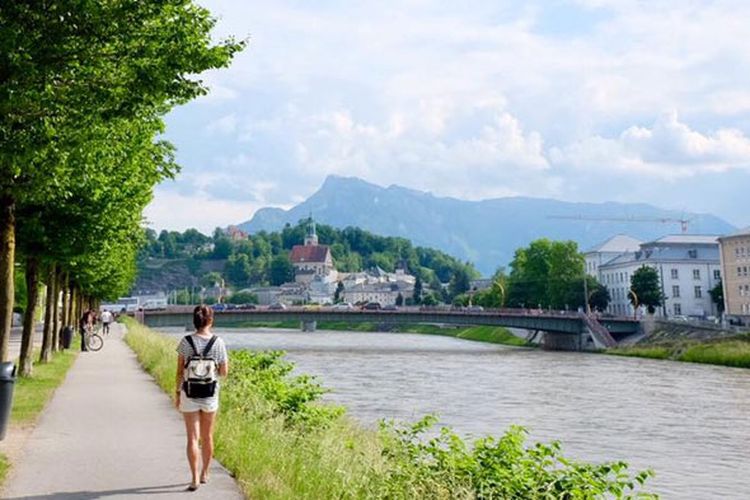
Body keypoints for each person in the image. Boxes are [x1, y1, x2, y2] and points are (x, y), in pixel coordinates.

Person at [175, 305, 228, 491]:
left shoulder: (185, 341)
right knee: (207, 436)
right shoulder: (218, 342)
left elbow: (179, 371)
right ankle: (205, 473)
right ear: (211, 320)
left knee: (192, 438)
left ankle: (194, 478)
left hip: (189, 393)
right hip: (210, 395)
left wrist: (176, 393)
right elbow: (224, 372)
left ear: (194, 321)